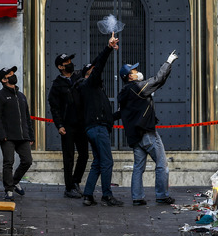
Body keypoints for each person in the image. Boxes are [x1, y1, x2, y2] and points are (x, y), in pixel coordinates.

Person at [117, 50, 179, 206]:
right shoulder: (137, 88)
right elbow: (158, 80)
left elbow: (122, 113)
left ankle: (137, 197)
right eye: (134, 71)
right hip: (147, 133)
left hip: (134, 136)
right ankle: (162, 195)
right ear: (130, 76)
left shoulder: (125, 92)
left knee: (138, 167)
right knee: (162, 165)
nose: (138, 72)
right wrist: (168, 62)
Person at [75, 35, 123, 207]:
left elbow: (106, 116)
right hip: (97, 129)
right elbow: (99, 64)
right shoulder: (90, 84)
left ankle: (88, 195)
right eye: (93, 71)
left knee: (97, 162)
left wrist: (120, 114)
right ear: (90, 74)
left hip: (94, 128)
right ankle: (107, 196)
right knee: (107, 161)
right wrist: (108, 48)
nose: (97, 72)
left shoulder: (92, 90)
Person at [48, 52, 88, 198]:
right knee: (68, 157)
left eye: (71, 61)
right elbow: (54, 107)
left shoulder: (79, 77)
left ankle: (76, 182)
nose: (70, 64)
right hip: (68, 126)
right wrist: (59, 125)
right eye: (67, 62)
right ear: (60, 67)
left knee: (84, 154)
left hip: (82, 124)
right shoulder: (57, 85)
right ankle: (69, 187)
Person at [0, 66, 35, 200]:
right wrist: (2, 135)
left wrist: (30, 135)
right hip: (8, 137)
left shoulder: (21, 96)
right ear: (4, 79)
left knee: (27, 161)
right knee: (8, 162)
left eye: (13, 73)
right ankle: (9, 190)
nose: (13, 75)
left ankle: (15, 182)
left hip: (23, 136)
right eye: (10, 74)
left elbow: (27, 117)